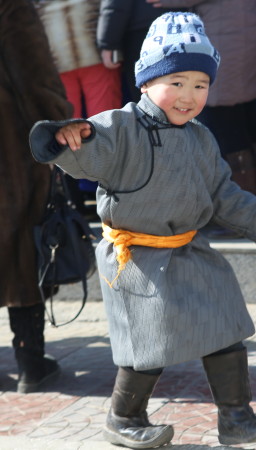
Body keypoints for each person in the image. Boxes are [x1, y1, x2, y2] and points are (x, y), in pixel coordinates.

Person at [30, 12, 256, 447]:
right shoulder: (119, 127)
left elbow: (224, 195)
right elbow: (87, 146)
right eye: (175, 82)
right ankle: (124, 418)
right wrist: (69, 137)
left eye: (200, 85)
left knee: (224, 322)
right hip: (136, 257)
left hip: (188, 248)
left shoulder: (200, 139)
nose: (188, 96)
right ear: (144, 82)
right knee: (150, 340)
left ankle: (236, 418)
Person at [0, 0, 73, 393]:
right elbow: (35, 77)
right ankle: (30, 362)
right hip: (9, 149)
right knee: (21, 250)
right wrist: (58, 131)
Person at [147, 0, 256, 204]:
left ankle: (245, 209)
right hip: (236, 31)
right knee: (244, 121)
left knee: (229, 125)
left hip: (229, 38)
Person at [33, 0, 123, 206]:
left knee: (73, 127)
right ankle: (102, 196)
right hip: (92, 52)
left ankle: (76, 198)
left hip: (62, 56)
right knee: (102, 125)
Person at [96, 0, 186, 103]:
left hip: (141, 33)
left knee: (147, 99)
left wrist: (108, 43)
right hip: (181, 28)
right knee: (181, 90)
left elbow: (115, 6)